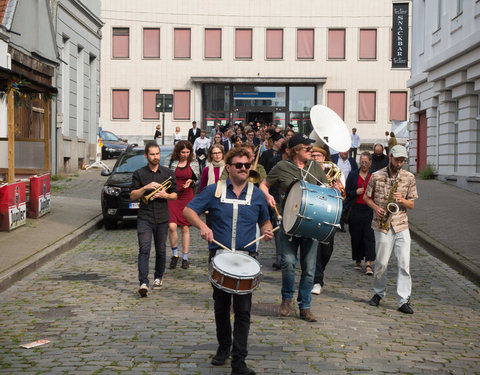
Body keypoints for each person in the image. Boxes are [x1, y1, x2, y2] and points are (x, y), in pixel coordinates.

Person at [183, 147, 273, 375]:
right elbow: (188, 211)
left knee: (243, 311)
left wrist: (268, 230)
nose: (243, 169)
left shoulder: (258, 195)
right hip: (219, 258)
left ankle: (238, 361)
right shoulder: (214, 190)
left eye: (246, 165)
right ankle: (224, 346)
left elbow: (265, 222)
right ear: (229, 167)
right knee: (221, 307)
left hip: (246, 259)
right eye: (238, 165)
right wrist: (203, 227)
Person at [259, 133, 331, 322]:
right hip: (289, 223)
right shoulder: (282, 166)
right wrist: (268, 196)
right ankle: (286, 299)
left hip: (311, 223)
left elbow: (326, 189)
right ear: (296, 150)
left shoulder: (315, 167)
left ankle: (305, 307)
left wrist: (334, 188)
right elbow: (264, 185)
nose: (311, 151)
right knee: (289, 263)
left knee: (308, 269)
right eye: (307, 149)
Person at [363, 145, 418, 314]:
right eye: (397, 160)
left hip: (401, 224)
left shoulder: (409, 177)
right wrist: (375, 207)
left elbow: (412, 204)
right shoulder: (376, 175)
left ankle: (403, 300)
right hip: (381, 225)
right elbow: (366, 197)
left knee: (404, 264)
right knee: (381, 263)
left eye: (403, 161)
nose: (400, 163)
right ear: (390, 156)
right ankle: (379, 293)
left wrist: (402, 200)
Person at [130, 142, 178, 297]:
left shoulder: (168, 173)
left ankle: (158, 277)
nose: (156, 157)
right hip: (145, 217)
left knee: (161, 250)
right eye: (152, 154)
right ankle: (143, 282)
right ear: (146, 155)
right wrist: (145, 188)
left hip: (163, 217)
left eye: (157, 154)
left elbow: (175, 194)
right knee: (144, 249)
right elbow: (132, 195)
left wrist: (165, 195)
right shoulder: (139, 174)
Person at [165, 141, 200, 270]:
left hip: (187, 195)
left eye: (187, 152)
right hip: (173, 194)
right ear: (178, 152)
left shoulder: (194, 162)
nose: (185, 155)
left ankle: (185, 257)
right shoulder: (170, 160)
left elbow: (197, 178)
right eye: (183, 152)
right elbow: (164, 175)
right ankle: (175, 255)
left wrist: (191, 182)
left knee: (185, 227)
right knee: (172, 226)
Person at [345, 152, 375, 275]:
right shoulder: (353, 175)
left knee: (369, 236)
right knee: (356, 236)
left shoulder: (374, 176)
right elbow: (347, 192)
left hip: (369, 209)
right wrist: (355, 192)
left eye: (366, 162)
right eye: (362, 162)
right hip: (355, 208)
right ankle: (358, 260)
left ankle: (368, 263)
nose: (363, 164)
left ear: (370, 163)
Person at [258, 132, 285, 270]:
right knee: (277, 225)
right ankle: (280, 257)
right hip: (271, 193)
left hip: (282, 197)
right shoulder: (268, 155)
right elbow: (262, 171)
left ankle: (283, 257)